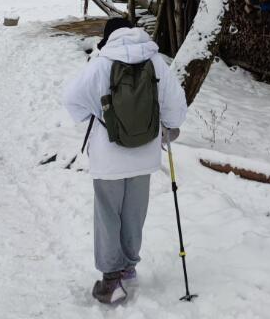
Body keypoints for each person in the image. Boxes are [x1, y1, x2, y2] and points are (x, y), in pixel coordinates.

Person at [63, 18, 187, 304]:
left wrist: (100, 114)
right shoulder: (155, 61)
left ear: (109, 37)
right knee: (134, 212)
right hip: (145, 154)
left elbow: (71, 99)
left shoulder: (101, 62)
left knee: (108, 213)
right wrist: (169, 126)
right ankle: (129, 268)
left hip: (109, 156)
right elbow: (176, 106)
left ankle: (111, 280)